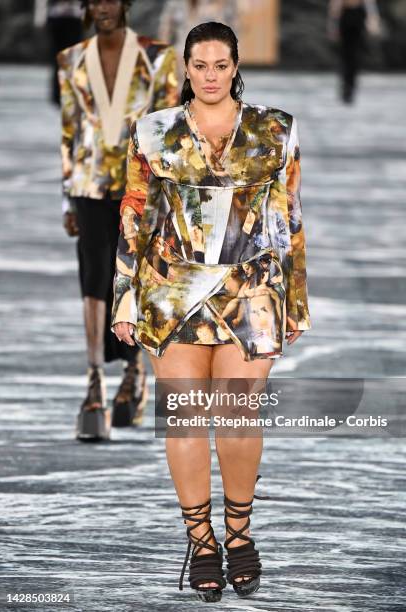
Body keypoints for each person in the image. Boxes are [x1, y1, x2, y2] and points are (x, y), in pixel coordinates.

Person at [112, 21, 310, 601]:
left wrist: (294, 300)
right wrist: (125, 295)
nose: (210, 76)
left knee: (239, 416)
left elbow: (289, 220)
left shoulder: (274, 131)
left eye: (220, 66)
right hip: (171, 290)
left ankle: (240, 534)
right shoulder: (153, 134)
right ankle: (201, 542)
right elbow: (135, 214)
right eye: (199, 66)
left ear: (235, 66)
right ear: (186, 69)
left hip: (251, 290)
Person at [57, 0, 178, 441]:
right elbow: (70, 129)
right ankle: (93, 386)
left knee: (133, 277)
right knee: (92, 278)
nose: (102, 7)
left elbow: (169, 126)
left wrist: (168, 195)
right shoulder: (71, 59)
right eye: (95, 0)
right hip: (88, 185)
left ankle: (133, 371)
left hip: (140, 186)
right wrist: (65, 200)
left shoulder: (158, 56)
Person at [327, 0, 382, 103]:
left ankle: (350, 86)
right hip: (345, 17)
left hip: (358, 17)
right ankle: (346, 85)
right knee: (346, 55)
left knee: (354, 55)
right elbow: (335, 7)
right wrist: (333, 26)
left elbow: (369, 5)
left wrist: (373, 21)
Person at [34, 0, 84, 105]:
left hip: (74, 17)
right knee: (58, 58)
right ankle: (58, 94)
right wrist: (40, 17)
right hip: (57, 17)